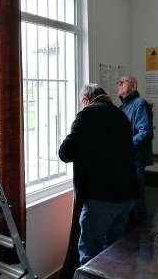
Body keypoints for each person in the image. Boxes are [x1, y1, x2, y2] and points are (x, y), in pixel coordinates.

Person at [59, 84, 138, 265]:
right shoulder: (121, 115)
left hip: (101, 196)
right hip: (126, 194)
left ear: (86, 100)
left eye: (81, 103)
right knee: (115, 250)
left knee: (89, 255)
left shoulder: (87, 114)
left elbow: (66, 153)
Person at [118, 75, 153, 225]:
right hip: (125, 162)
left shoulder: (140, 104)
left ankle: (145, 244)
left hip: (135, 162)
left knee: (137, 204)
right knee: (126, 205)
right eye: (118, 82)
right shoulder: (122, 107)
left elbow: (145, 132)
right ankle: (132, 245)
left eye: (123, 81)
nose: (119, 84)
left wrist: (124, 147)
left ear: (134, 86)